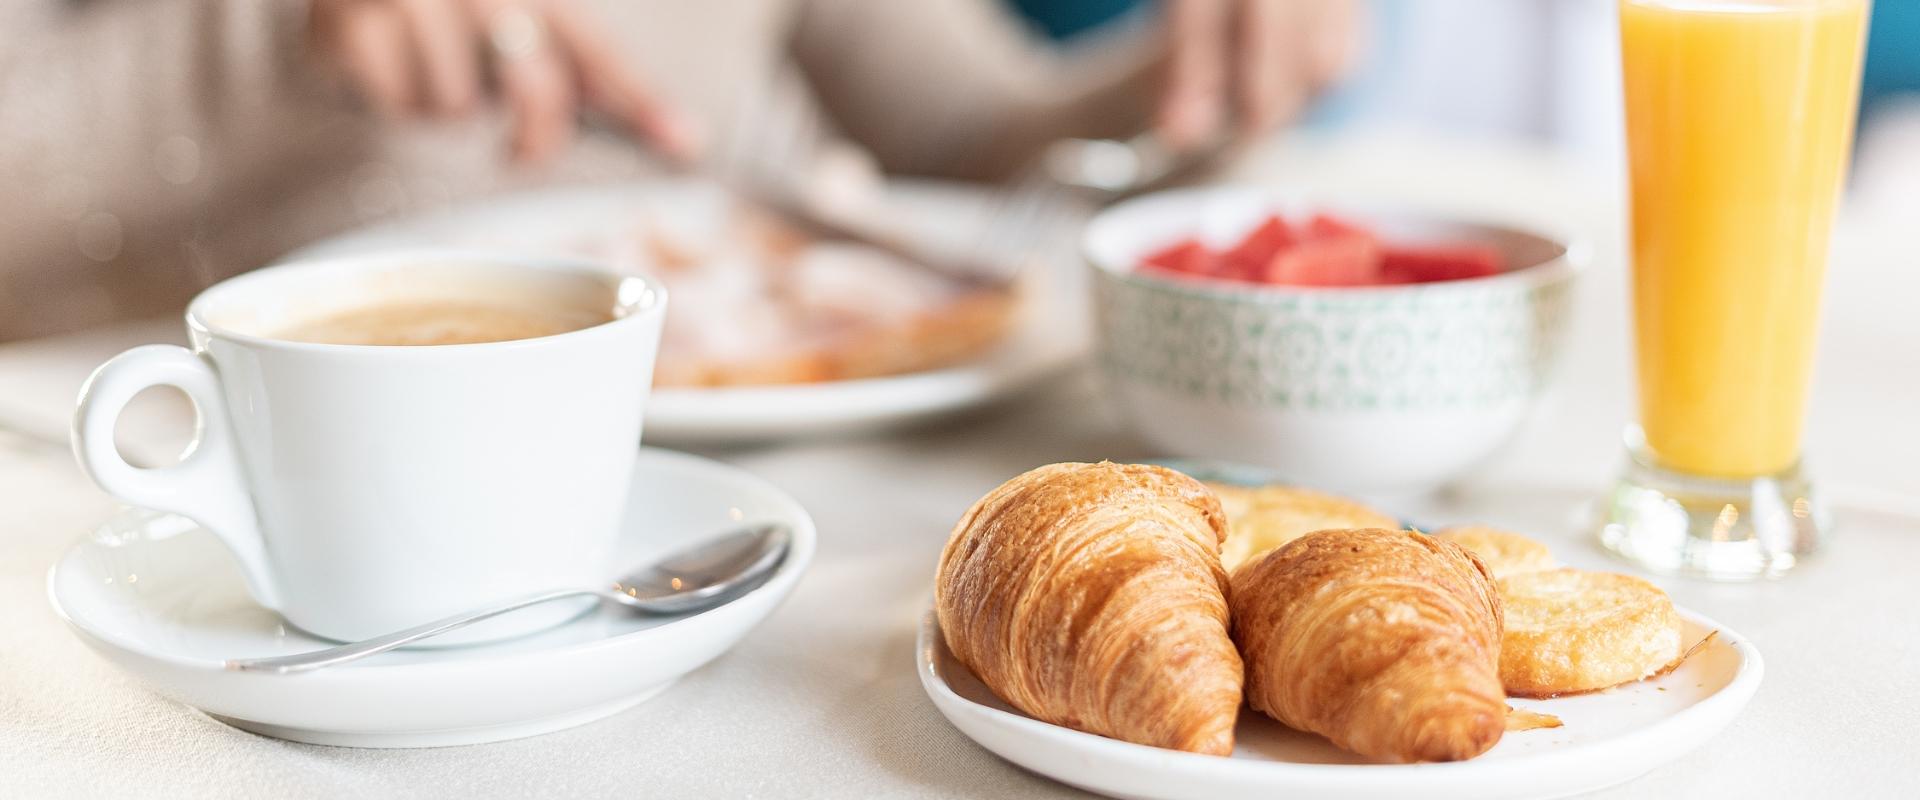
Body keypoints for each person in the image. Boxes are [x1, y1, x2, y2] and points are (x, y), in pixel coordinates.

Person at [0, 0, 1358, 340]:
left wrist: (1208, 70)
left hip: (741, 533)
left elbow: (984, 151)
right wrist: (284, 35)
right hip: (213, 527)